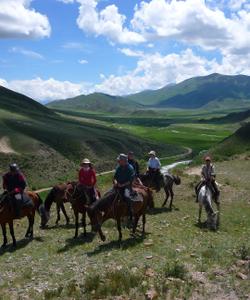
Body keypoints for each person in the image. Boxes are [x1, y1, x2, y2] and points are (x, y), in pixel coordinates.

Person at [113, 154, 135, 224]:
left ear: (124, 161)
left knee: (127, 197)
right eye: (118, 161)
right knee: (110, 195)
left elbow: (130, 180)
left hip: (127, 186)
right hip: (118, 185)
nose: (118, 162)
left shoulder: (130, 168)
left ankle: (129, 212)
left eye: (119, 161)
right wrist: (116, 182)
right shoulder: (118, 167)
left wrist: (122, 185)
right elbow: (115, 177)